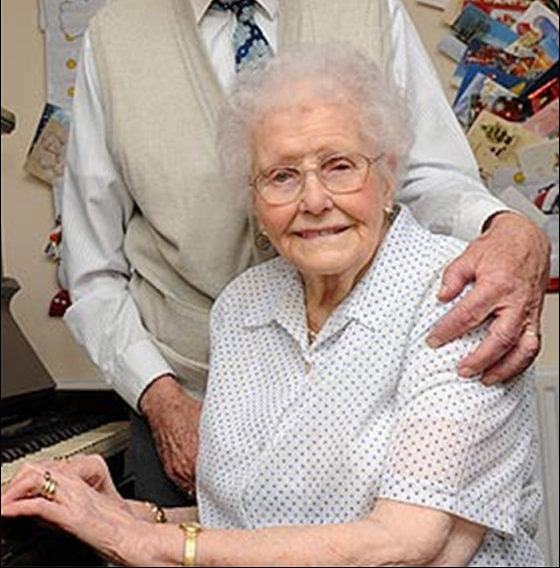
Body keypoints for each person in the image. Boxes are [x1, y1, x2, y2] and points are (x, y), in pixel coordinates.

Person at [60, 0, 550, 504]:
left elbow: (430, 177)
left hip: (368, 394)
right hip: (185, 400)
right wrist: (160, 398)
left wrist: (506, 228)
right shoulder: (111, 43)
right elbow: (92, 269)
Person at [2, 49, 544, 567]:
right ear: (255, 199)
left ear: (388, 176)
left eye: (339, 166)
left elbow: (412, 544)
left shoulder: (459, 297)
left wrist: (142, 544)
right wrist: (137, 514)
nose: (314, 200)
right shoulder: (241, 308)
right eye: (281, 176)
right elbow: (253, 524)